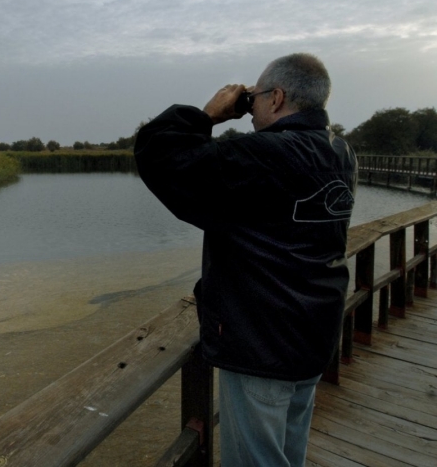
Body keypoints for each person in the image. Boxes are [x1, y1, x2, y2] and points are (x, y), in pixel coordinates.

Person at [134, 53, 357, 467]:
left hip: (262, 345)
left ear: (276, 98)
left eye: (253, 97)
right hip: (313, 335)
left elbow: (161, 156)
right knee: (288, 454)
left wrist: (209, 115)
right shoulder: (340, 152)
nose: (249, 107)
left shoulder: (262, 156)